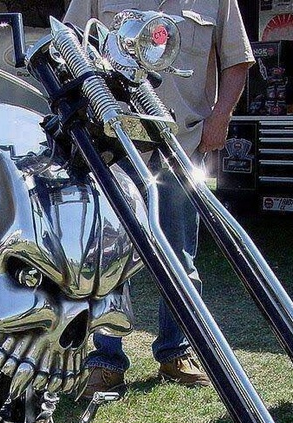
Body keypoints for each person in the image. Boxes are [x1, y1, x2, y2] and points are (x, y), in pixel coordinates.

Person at [63, 0, 254, 397]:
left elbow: (237, 61)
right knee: (107, 255)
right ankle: (105, 360)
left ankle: (175, 351)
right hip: (114, 144)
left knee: (179, 255)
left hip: (182, 143)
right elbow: (68, 43)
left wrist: (221, 117)